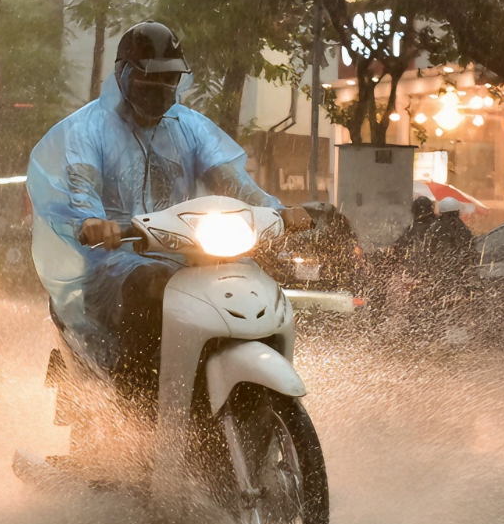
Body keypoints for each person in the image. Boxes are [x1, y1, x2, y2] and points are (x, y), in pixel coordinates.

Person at [26, 22, 310, 404]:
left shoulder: (189, 127)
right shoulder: (90, 128)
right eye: (151, 77)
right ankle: (138, 411)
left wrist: (277, 210)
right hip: (114, 261)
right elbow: (81, 185)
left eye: (171, 78)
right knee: (151, 284)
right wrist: (92, 221)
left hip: (186, 253)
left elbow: (231, 181)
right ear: (124, 73)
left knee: (248, 280)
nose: (161, 89)